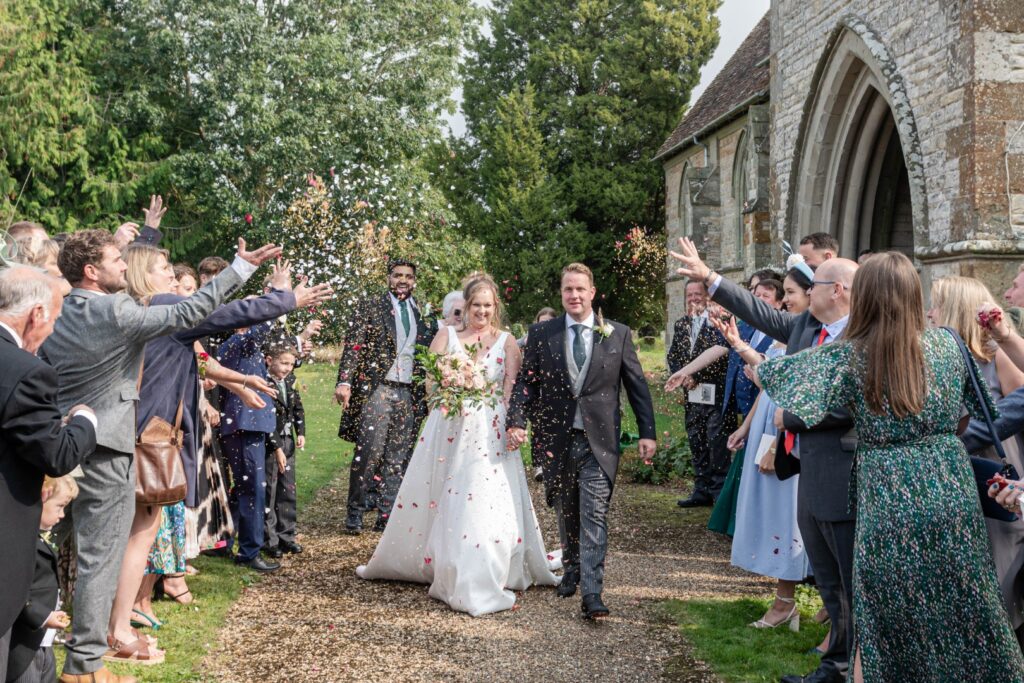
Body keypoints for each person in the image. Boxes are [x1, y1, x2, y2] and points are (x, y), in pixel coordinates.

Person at [756, 252, 1024, 681]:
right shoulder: (950, 344)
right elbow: (979, 415)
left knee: (883, 617)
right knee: (965, 609)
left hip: (886, 492)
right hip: (947, 486)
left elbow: (776, 381)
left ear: (865, 297)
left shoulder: (848, 356)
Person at [40, 227, 279, 682]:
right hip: (107, 449)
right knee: (99, 558)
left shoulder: (57, 307)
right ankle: (84, 668)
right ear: (92, 271)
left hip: (57, 445)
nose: (122, 267)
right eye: (115, 260)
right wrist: (242, 268)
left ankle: (50, 643)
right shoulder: (115, 309)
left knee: (58, 548)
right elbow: (190, 311)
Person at [671, 237, 858, 683]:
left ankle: (857, 664)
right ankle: (832, 669)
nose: (807, 293)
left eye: (817, 284)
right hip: (805, 465)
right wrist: (709, 277)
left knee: (851, 578)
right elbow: (761, 315)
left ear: (840, 291)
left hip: (846, 469)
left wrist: (792, 418)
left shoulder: (862, 335)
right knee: (829, 580)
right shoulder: (806, 328)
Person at [356, 275, 558, 615]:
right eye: (475, 305)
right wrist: (447, 399)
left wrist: (508, 422)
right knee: (443, 491)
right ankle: (441, 559)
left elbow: (512, 386)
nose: (481, 311)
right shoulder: (446, 336)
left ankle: (483, 565)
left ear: (496, 308)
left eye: (487, 306)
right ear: (464, 307)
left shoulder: (506, 341)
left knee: (482, 495)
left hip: (489, 427)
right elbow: (431, 381)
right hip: (448, 424)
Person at [506, 263, 656, 619]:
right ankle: (571, 566)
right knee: (565, 507)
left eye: (580, 289)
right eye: (567, 290)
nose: (574, 295)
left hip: (599, 441)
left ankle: (592, 593)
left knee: (594, 513)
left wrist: (647, 432)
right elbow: (527, 383)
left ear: (592, 292)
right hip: (555, 438)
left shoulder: (616, 334)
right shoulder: (542, 334)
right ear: (562, 294)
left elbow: (637, 386)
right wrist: (516, 421)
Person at [0, 266, 96, 682]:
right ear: (36, 314)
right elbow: (56, 455)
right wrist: (84, 421)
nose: (51, 331)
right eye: (54, 320)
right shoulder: (25, 370)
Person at [714, 265, 813, 633]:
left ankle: (787, 601)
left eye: (791, 293)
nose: (785, 300)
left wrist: (776, 443)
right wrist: (746, 425)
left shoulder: (812, 336)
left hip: (786, 430)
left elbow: (791, 388)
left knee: (786, 515)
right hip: (768, 419)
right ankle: (790, 600)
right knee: (774, 512)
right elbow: (770, 382)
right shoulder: (791, 327)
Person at [335, 258, 437, 534]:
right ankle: (354, 513)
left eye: (408, 275)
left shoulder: (424, 316)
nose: (402, 280)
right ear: (388, 278)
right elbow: (353, 347)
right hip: (378, 388)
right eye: (397, 275)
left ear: (415, 280)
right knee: (368, 453)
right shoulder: (370, 306)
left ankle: (387, 515)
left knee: (398, 457)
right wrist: (345, 381)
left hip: (409, 393)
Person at [7, 476, 78, 683]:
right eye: (59, 507)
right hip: (25, 643)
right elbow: (16, 590)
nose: (62, 515)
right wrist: (43, 616)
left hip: (43, 641)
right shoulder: (20, 543)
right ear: (41, 498)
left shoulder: (36, 538)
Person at [667, 280, 732, 508]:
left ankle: (719, 493)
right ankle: (701, 489)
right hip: (691, 396)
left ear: (708, 296)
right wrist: (681, 376)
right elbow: (674, 355)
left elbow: (724, 356)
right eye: (690, 294)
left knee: (717, 443)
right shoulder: (681, 324)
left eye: (698, 294)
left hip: (716, 394)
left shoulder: (719, 322)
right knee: (697, 441)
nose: (694, 298)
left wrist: (697, 375)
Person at [263, 343, 306, 558]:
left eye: (291, 363)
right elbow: (267, 417)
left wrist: (301, 431)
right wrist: (277, 447)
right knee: (271, 490)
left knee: (288, 489)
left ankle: (287, 536)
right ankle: (269, 540)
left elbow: (297, 406)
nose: (288, 368)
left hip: (288, 440)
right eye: (284, 363)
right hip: (271, 444)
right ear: (270, 360)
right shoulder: (264, 382)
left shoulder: (289, 380)